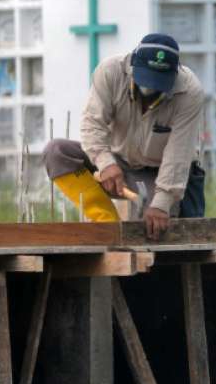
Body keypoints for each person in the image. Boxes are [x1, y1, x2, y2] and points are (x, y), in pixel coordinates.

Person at [43, 33, 205, 239]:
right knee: (56, 152)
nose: (150, 88)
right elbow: (92, 124)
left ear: (175, 74)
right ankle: (108, 225)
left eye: (158, 83)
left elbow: (178, 155)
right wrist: (105, 163)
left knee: (155, 224)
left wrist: (162, 202)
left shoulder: (189, 92)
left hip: (158, 173)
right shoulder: (110, 72)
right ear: (133, 64)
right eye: (146, 80)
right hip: (115, 164)